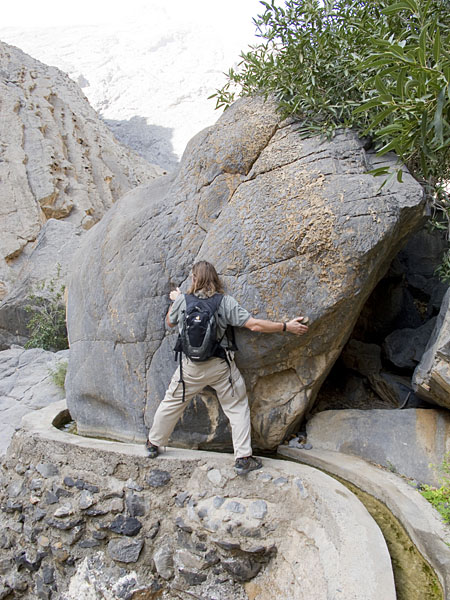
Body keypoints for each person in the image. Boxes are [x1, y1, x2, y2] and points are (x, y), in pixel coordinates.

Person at [146, 261, 309, 475]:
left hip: (190, 368)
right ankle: (242, 458)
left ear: (194, 279)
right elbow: (255, 325)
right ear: (215, 279)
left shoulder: (183, 300)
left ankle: (153, 444)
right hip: (220, 367)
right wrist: (286, 326)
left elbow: (169, 323)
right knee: (237, 406)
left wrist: (177, 301)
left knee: (171, 402)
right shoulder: (225, 302)